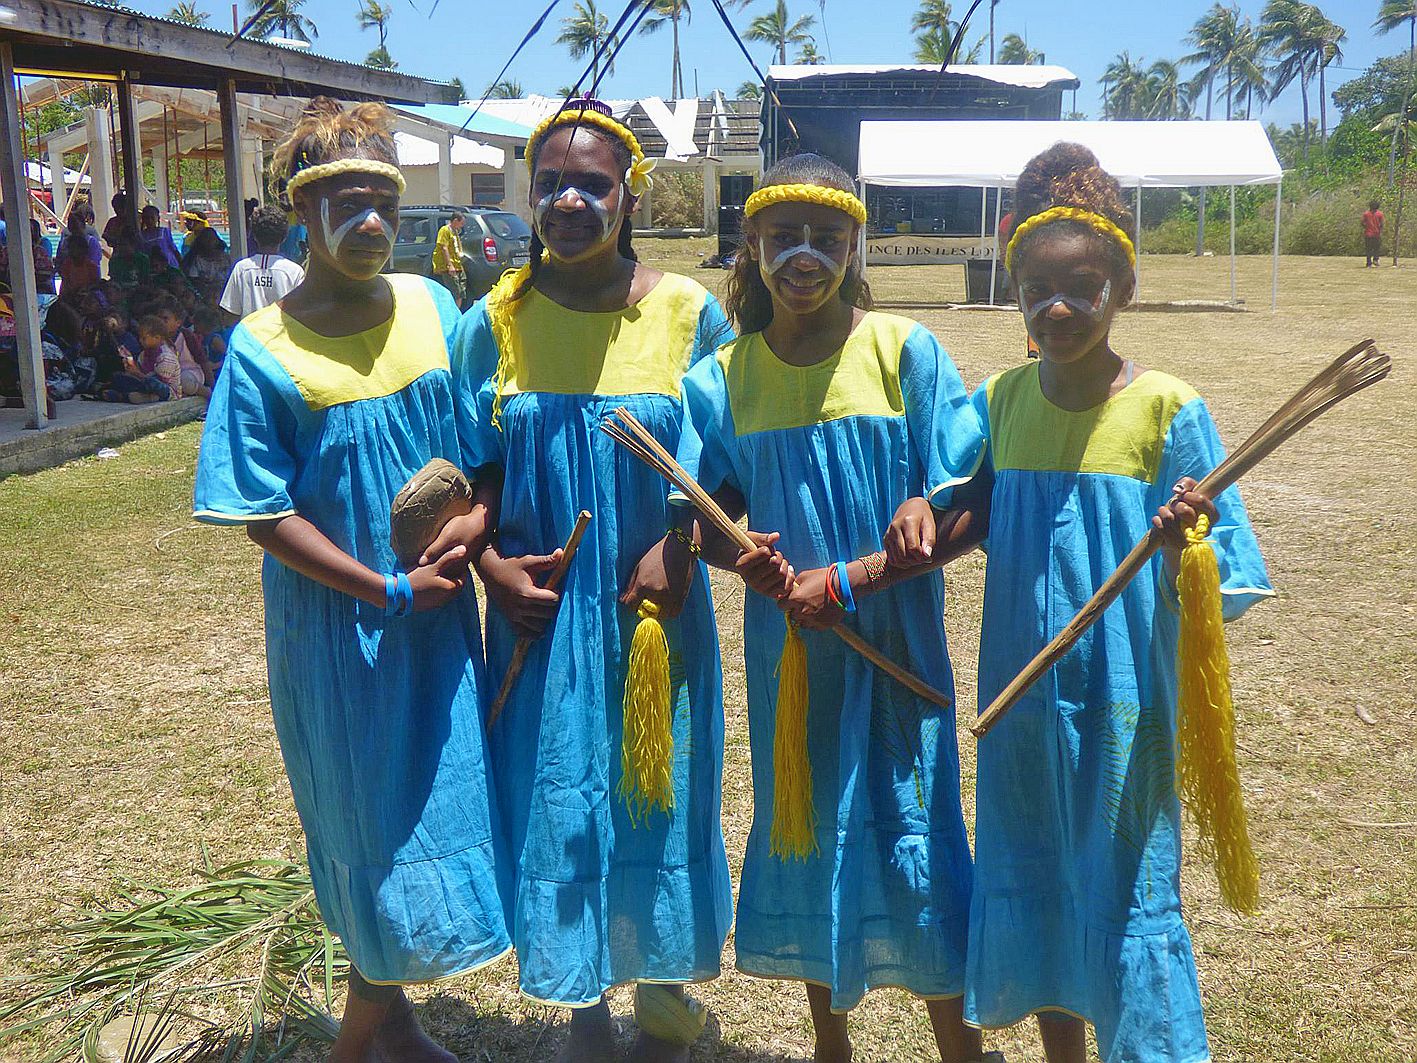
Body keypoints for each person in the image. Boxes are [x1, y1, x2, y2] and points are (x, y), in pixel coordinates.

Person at [888, 142, 1273, 1063]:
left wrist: (1184, 541)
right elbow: (947, 485)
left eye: (1082, 288)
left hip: (1123, 693)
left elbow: (1225, 571)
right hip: (1019, 688)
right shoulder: (1001, 400)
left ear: (1123, 290)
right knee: (1033, 862)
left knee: (1123, 869)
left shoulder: (1168, 409)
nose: (1057, 308)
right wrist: (915, 501)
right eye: (1037, 290)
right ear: (1014, 292)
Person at [192, 96, 508, 1063]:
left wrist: (475, 528)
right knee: (366, 817)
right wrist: (383, 590)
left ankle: (390, 1025)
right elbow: (262, 511)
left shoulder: (433, 308)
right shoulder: (264, 346)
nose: (371, 224)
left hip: (437, 623)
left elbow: (479, 446)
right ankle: (359, 1044)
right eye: (347, 205)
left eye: (385, 203)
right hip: (339, 633)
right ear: (303, 212)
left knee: (432, 800)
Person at [664, 153, 993, 1063]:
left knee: (915, 830)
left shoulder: (903, 351)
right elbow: (700, 511)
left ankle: (959, 1048)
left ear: (853, 248)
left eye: (824, 237)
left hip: (897, 645)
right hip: (794, 658)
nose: (802, 256)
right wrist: (745, 558)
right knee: (806, 826)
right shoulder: (721, 377)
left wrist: (885, 541)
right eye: (782, 237)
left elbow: (969, 496)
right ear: (751, 245)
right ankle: (829, 1046)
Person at [451, 97, 733, 1063]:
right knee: (560, 793)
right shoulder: (494, 319)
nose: (569, 200)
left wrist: (681, 542)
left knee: (656, 785)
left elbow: (725, 459)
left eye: (592, 184)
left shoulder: (689, 313)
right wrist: (492, 569)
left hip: (653, 608)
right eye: (549, 184)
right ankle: (584, 1014)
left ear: (628, 197)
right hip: (540, 615)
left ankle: (663, 1001)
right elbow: (469, 469)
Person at [219, 204, 305, 317]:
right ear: (284, 237)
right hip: (281, 328)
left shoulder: (242, 269)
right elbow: (301, 312)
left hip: (249, 328)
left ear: (254, 235)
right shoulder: (294, 271)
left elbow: (231, 312)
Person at [100, 312, 178, 404]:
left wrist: (137, 373)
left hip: (165, 392)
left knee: (141, 392)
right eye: (139, 337)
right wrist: (131, 366)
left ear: (157, 338)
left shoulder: (165, 356)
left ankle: (121, 396)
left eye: (144, 338)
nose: (140, 341)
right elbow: (140, 374)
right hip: (145, 386)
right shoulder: (143, 354)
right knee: (118, 377)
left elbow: (158, 384)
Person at [181, 226, 233, 306]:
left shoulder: (226, 258)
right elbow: (193, 279)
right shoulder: (196, 259)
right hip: (204, 296)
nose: (209, 242)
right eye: (207, 239)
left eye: (212, 239)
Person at [432, 209, 467, 308]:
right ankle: (454, 312)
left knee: (461, 291)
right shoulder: (444, 230)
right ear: (455, 220)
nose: (462, 226)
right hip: (449, 267)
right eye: (461, 223)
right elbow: (444, 247)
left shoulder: (455, 232)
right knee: (456, 292)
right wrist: (450, 265)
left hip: (458, 265)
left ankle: (458, 311)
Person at [138, 205, 183, 270]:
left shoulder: (164, 231)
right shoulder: (141, 236)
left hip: (171, 266)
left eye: (152, 217)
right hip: (153, 268)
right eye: (147, 218)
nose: (149, 220)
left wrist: (182, 264)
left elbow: (174, 249)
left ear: (158, 218)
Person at [1362, 198, 1384, 267]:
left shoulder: (1366, 214)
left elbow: (1362, 223)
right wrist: (1380, 230)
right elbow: (1381, 224)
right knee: (1376, 248)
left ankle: (1369, 262)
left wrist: (1366, 227)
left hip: (1368, 234)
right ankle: (1375, 260)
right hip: (1376, 234)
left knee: (1368, 249)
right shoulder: (1380, 214)